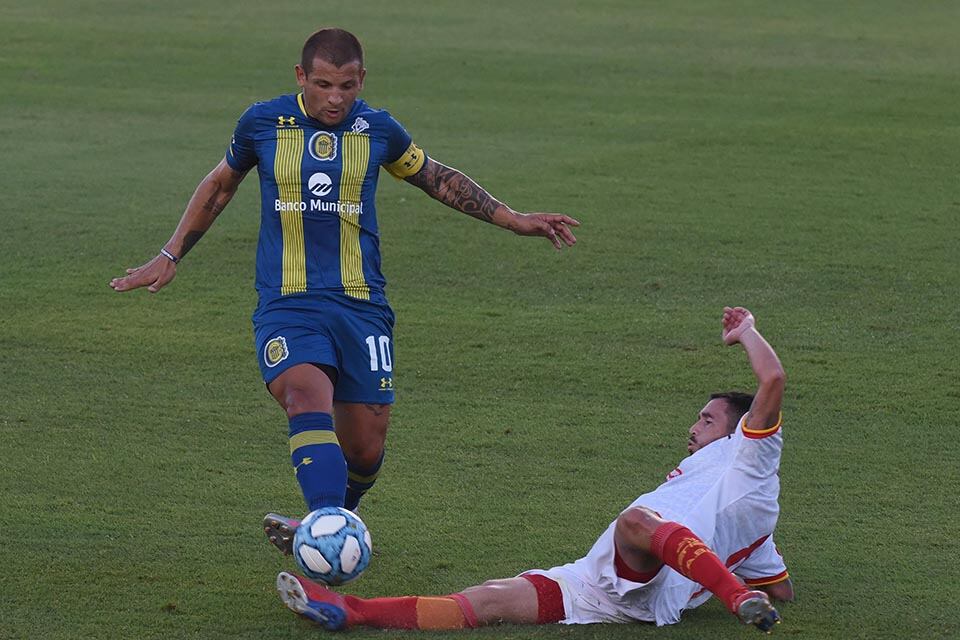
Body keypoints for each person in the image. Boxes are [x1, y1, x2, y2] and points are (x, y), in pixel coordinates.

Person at [109, 28, 579, 544]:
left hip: (361, 306)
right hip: (288, 304)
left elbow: (437, 178)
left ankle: (333, 521)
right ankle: (323, 535)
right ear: (301, 77)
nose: (335, 98)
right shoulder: (263, 123)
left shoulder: (378, 130)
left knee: (365, 448)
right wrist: (170, 253)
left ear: (362, 80)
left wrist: (514, 219)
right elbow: (221, 185)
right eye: (324, 85)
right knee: (305, 395)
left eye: (347, 86)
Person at [274, 307, 794, 633]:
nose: (694, 427)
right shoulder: (752, 527)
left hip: (647, 563)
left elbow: (772, 379)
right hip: (600, 582)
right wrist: (764, 584)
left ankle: (735, 598)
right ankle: (351, 611)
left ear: (740, 430)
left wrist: (746, 332)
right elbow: (781, 586)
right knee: (487, 599)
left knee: (636, 522)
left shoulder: (749, 458)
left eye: (707, 419)